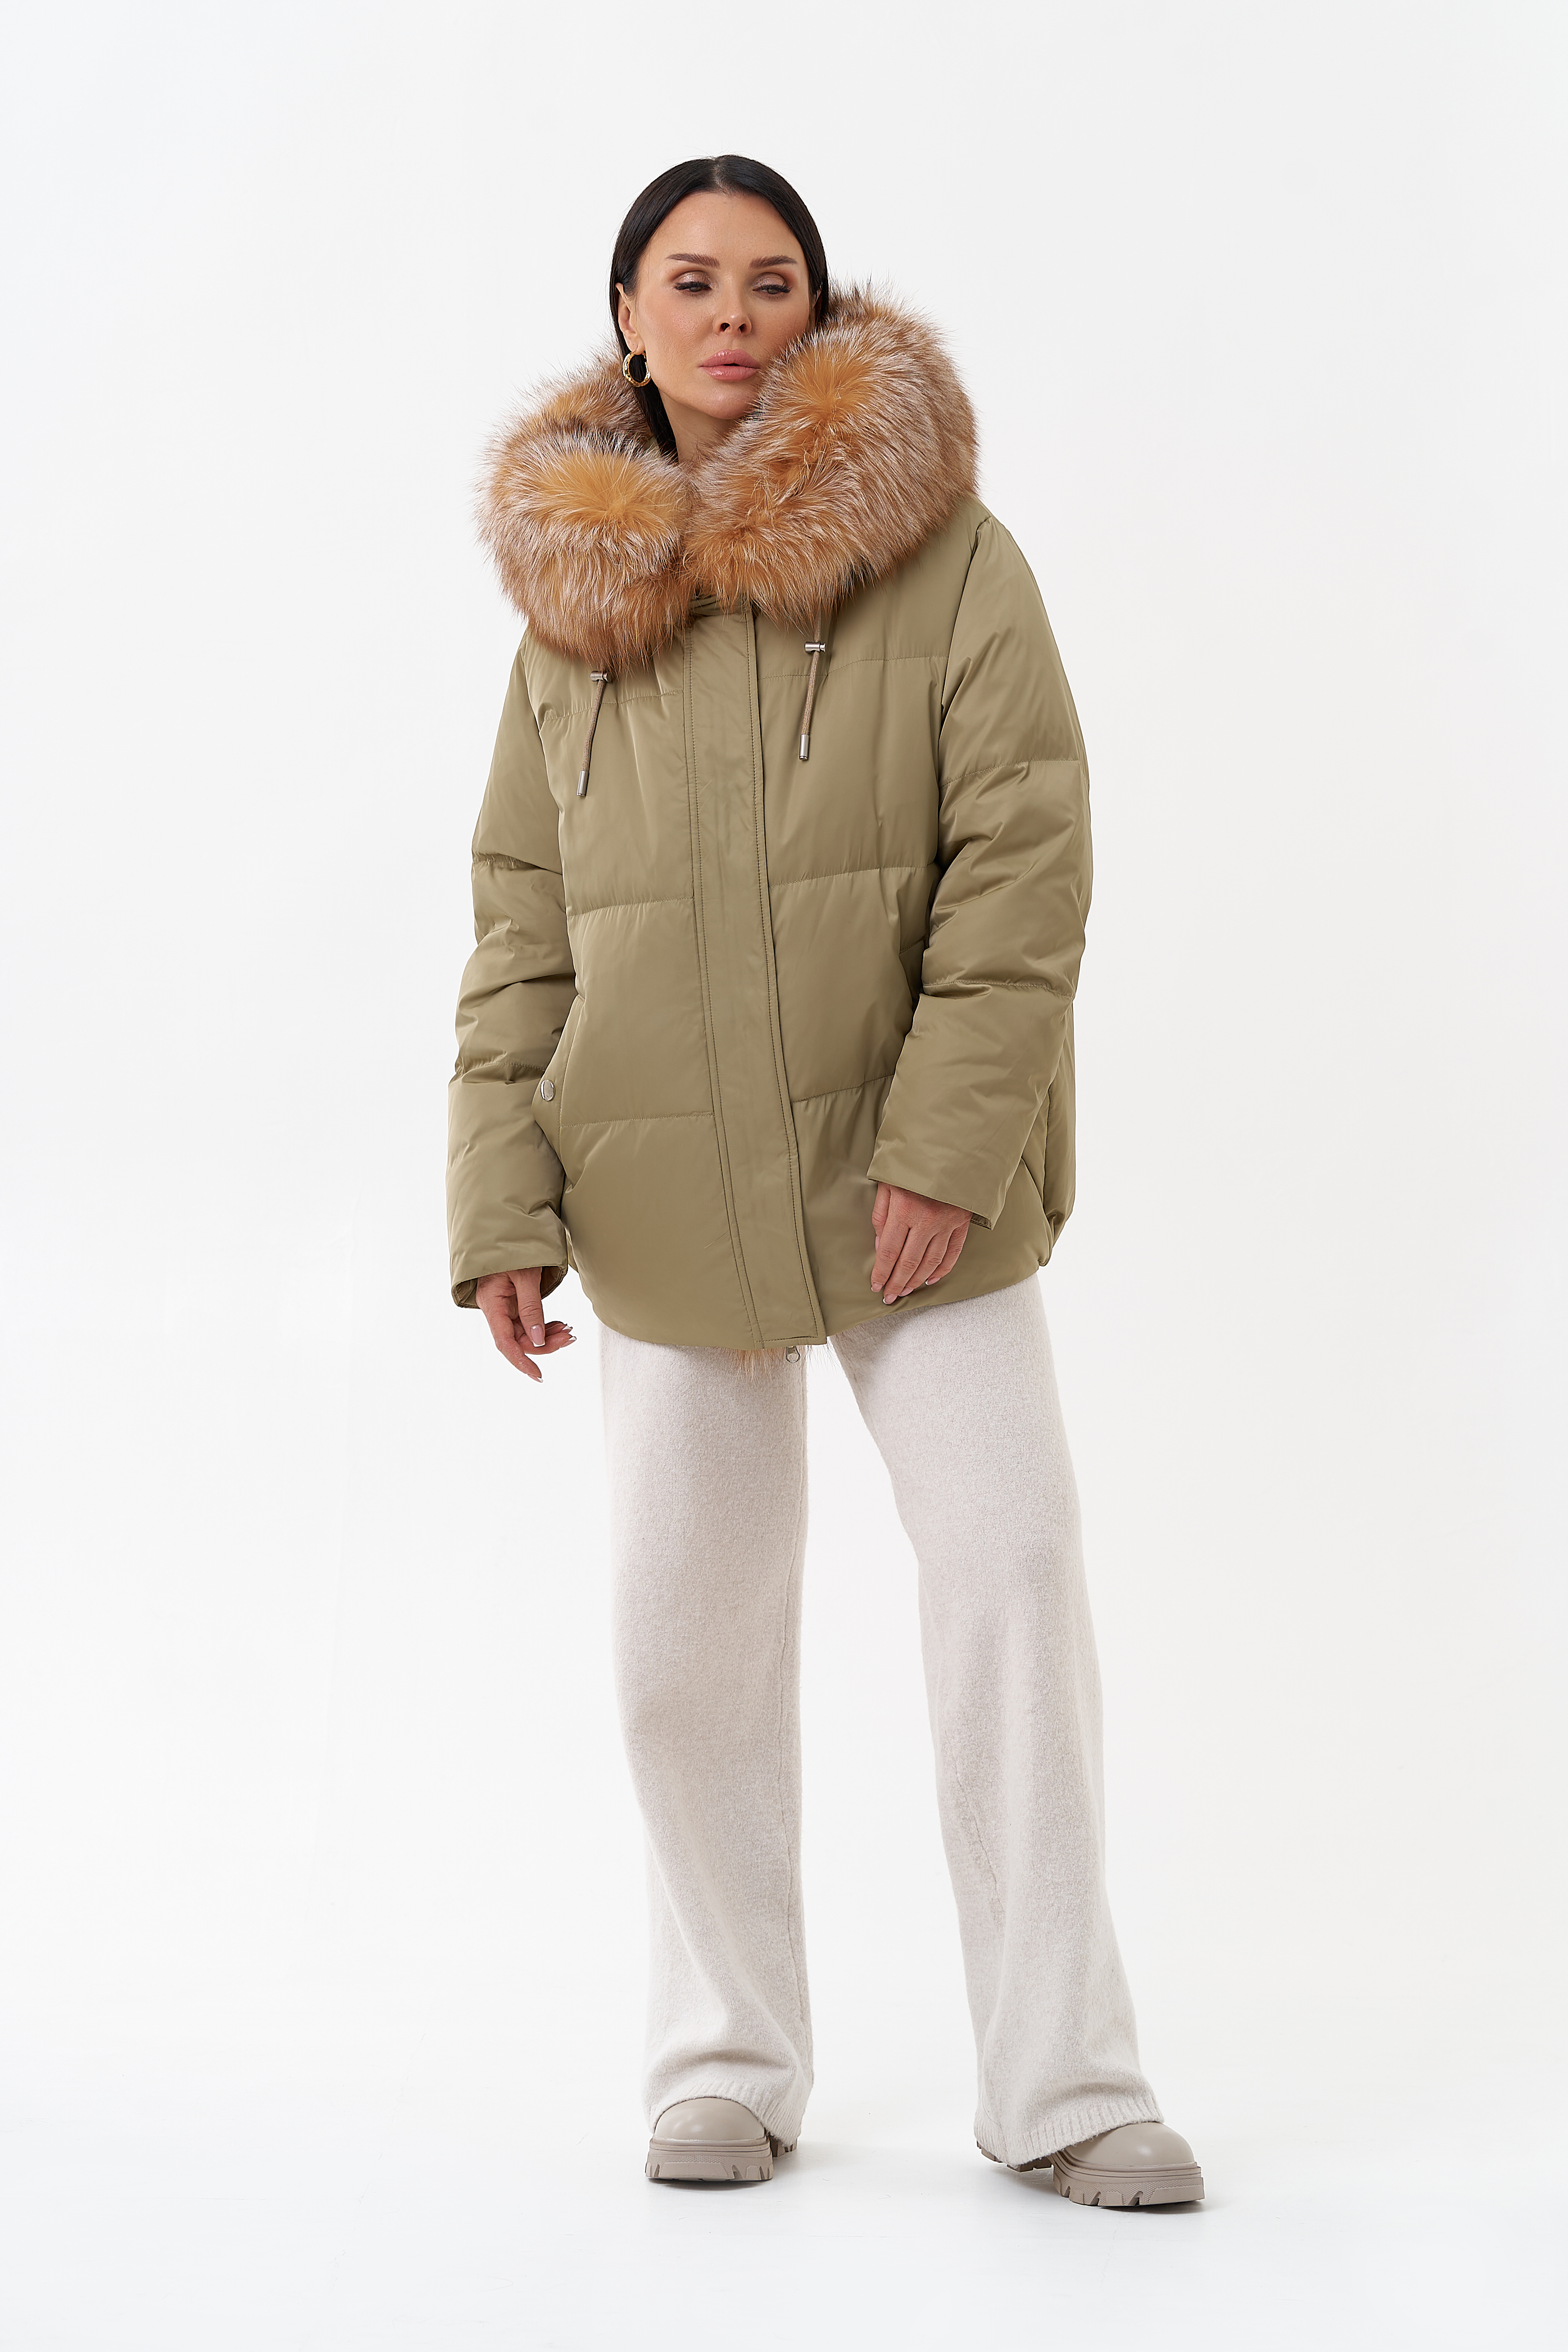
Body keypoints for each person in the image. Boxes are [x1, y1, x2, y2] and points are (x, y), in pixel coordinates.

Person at [446, 153, 1203, 2206]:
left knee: (1012, 1586)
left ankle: (1066, 2086)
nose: (731, 315)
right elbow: (522, 920)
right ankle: (724, 2057)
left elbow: (1025, 864)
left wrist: (948, 1147)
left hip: (912, 1193)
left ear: (818, 309)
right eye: (690, 281)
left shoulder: (947, 561)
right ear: (628, 314)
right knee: (681, 1641)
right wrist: (502, 1199)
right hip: (658, 1186)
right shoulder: (573, 613)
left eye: (771, 280)